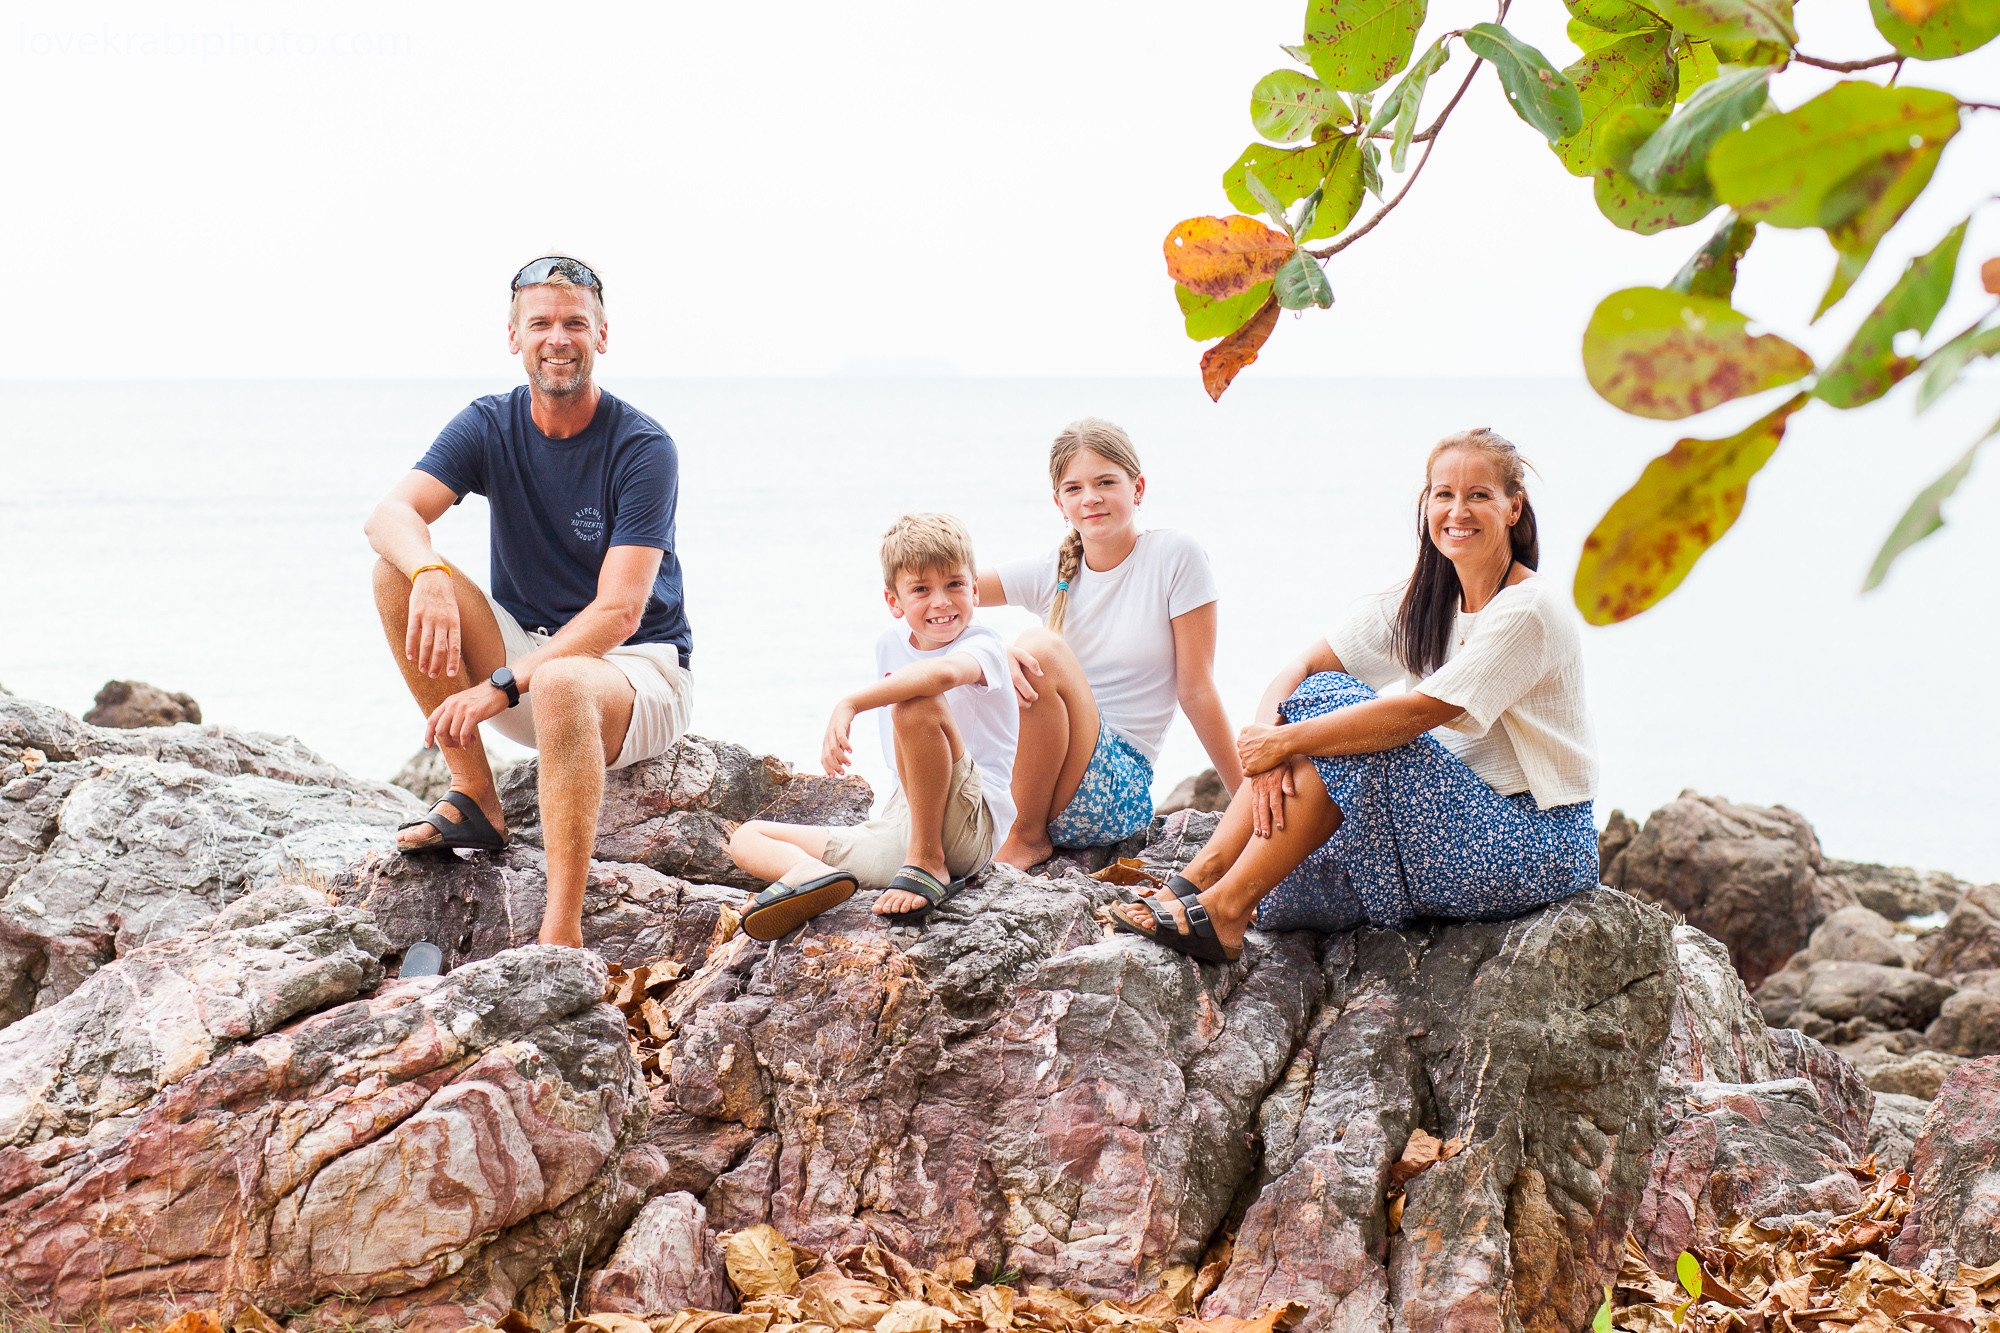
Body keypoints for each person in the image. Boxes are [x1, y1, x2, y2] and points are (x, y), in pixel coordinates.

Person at [1107, 428, 1598, 963]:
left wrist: (1288, 738)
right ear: (1426, 505)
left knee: (1334, 706)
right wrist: (1271, 746)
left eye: (1479, 495)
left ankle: (1222, 912)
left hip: (1529, 843)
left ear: (1512, 509)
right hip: (1439, 829)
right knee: (1283, 883)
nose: (1459, 510)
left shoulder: (1527, 609)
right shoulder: (1424, 599)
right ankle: (1202, 876)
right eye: (1444, 494)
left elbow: (1418, 714)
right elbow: (1303, 665)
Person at [363, 255, 694, 950]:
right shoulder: (490, 423)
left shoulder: (642, 447)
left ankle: (560, 934)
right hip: (528, 658)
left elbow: (620, 612)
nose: (558, 337)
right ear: (514, 336)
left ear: (602, 336)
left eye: (575, 322)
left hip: (635, 673)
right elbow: (389, 514)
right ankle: (475, 798)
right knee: (394, 573)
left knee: (567, 677)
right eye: (540, 322)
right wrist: (426, 570)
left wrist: (504, 683)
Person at [725, 513, 1020, 940]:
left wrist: (851, 703)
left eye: (954, 584)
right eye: (921, 590)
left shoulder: (985, 645)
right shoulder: (890, 644)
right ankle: (811, 874)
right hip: (902, 820)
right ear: (894, 601)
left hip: (970, 826)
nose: (941, 602)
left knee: (913, 706)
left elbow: (938, 678)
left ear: (974, 588)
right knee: (747, 838)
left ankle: (928, 862)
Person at [980, 418, 1240, 870]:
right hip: (1041, 777)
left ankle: (1025, 836)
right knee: (991, 662)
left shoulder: (1175, 556)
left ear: (1137, 489)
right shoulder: (1050, 571)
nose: (1091, 498)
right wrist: (990, 649)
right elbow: (942, 600)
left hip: (1115, 787)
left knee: (1038, 649)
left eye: (1105, 482)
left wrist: (1247, 800)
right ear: (1059, 503)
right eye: (1074, 488)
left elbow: (1196, 690)